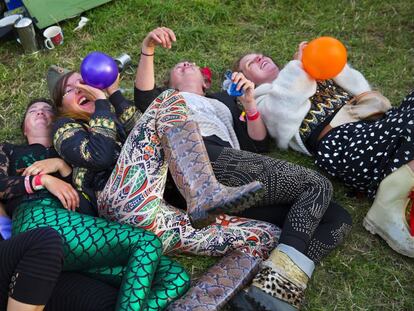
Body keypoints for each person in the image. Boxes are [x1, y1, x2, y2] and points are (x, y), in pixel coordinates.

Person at [134, 27, 353, 310]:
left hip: (229, 183)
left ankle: (263, 292)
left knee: (336, 217)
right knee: (316, 185)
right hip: (192, 161)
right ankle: (279, 289)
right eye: (177, 67)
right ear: (170, 83)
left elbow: (257, 145)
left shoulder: (224, 102)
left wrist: (249, 102)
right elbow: (143, 96)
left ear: (206, 80)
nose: (184, 64)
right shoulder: (166, 100)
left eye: (191, 65)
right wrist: (148, 48)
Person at [1, 99, 190, 310]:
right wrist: (42, 180)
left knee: (175, 277)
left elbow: (91, 200)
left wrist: (63, 167)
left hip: (80, 238)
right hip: (37, 220)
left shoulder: (72, 149)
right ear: (24, 128)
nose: (41, 113)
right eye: (33, 110)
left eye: (47, 110)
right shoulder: (8, 150)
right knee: (147, 244)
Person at [234, 45, 414, 258]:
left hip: (377, 126)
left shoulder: (308, 72)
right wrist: (299, 67)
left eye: (261, 55)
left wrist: (324, 61)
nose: (260, 58)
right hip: (344, 143)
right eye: (251, 63)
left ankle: (395, 186)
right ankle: (386, 205)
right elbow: (283, 109)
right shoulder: (264, 99)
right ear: (247, 79)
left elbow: (358, 86)